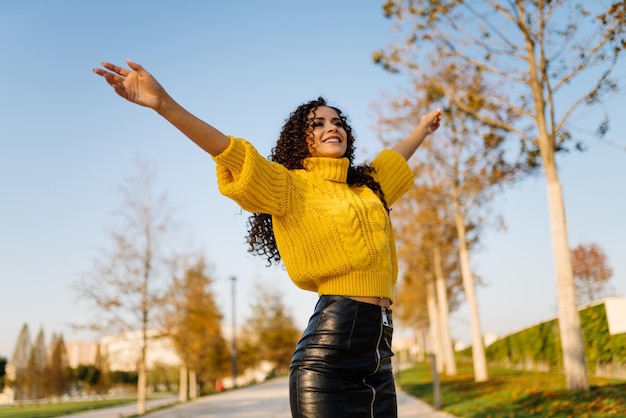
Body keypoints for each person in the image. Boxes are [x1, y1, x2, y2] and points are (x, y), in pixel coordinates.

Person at [93, 59, 442, 418]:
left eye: (337, 122)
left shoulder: (367, 186)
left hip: (379, 360)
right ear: (300, 138)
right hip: (328, 363)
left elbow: (394, 158)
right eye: (317, 123)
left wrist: (421, 130)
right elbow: (228, 151)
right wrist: (164, 103)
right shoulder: (289, 186)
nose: (330, 127)